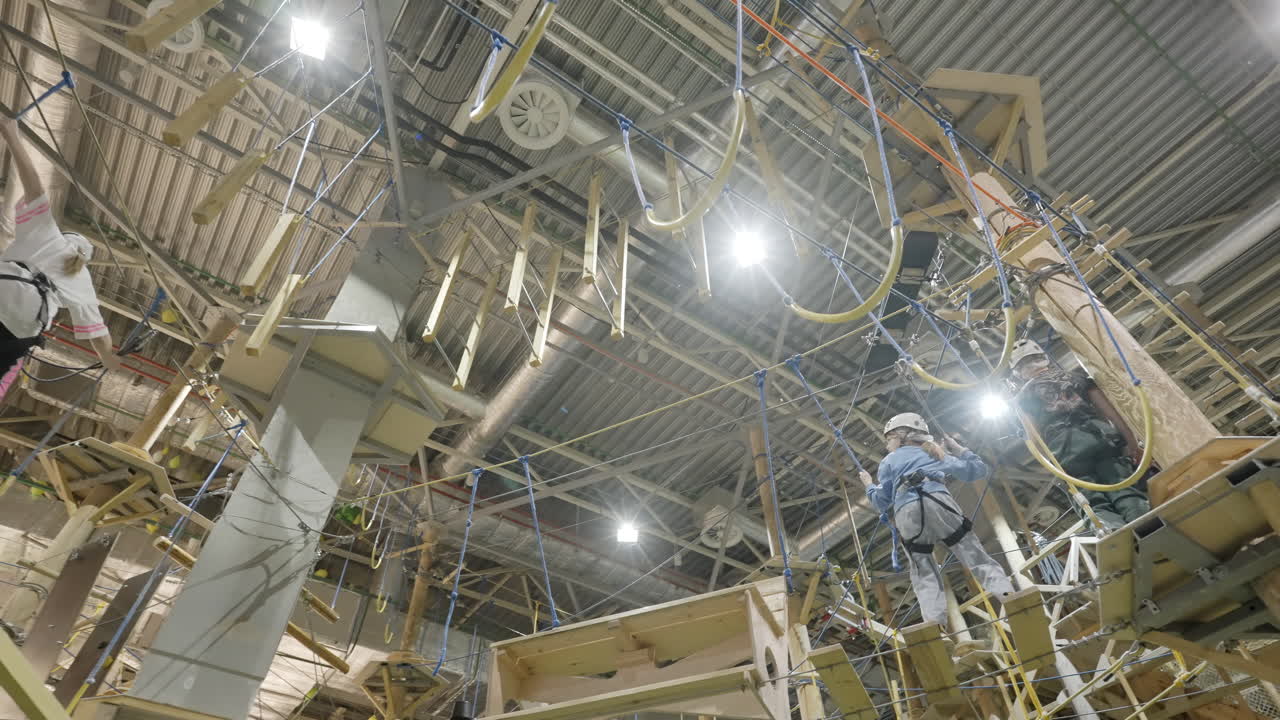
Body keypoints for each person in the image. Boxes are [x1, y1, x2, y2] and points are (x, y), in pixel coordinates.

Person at [0, 116, 119, 403]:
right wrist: (109, 359)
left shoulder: (49, 235)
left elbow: (35, 190)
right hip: (25, 325)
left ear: (68, 238)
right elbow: (99, 336)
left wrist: (12, 136)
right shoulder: (82, 281)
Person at [865, 412, 1015, 629]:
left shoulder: (889, 461)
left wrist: (869, 485)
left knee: (924, 572)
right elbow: (976, 470)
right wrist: (960, 450)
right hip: (938, 501)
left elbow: (881, 501)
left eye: (890, 438)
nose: (888, 443)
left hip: (907, 512)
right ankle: (1009, 596)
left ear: (901, 435)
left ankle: (935, 627)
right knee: (975, 555)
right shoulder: (936, 454)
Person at [1010, 339, 1148, 529]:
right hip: (1101, 438)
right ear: (1044, 358)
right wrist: (1132, 442)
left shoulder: (1021, 398)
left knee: (1091, 501)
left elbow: (1034, 437)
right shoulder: (1076, 377)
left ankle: (1110, 531)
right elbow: (1110, 412)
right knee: (1122, 487)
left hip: (1066, 452)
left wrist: (1053, 466)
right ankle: (1144, 522)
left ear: (1018, 373)